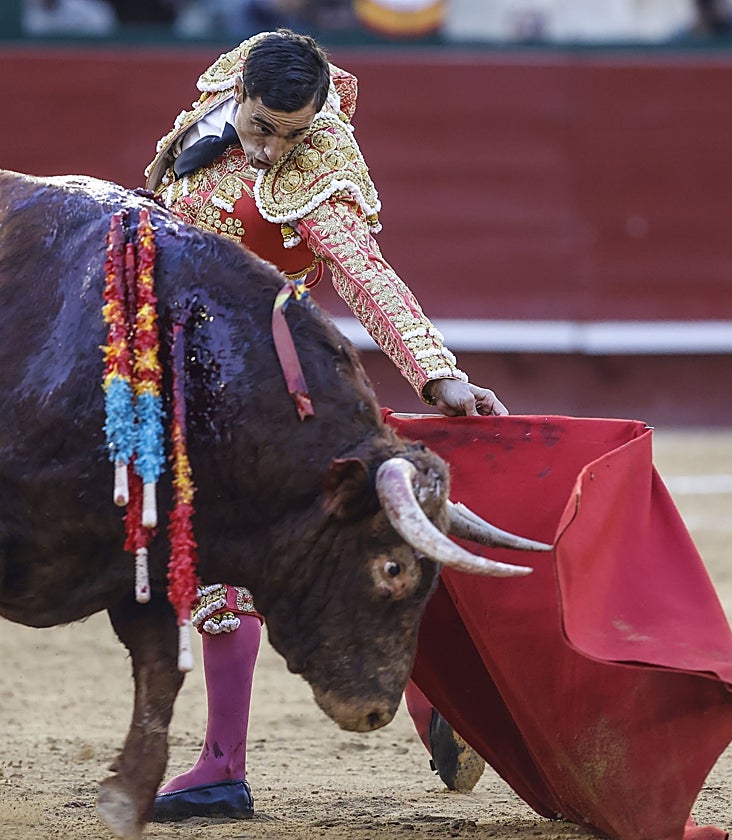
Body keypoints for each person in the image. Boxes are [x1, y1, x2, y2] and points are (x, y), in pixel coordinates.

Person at [142, 29, 501, 821]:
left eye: (295, 133)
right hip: (192, 377)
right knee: (248, 561)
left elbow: (367, 275)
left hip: (273, 394)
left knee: (236, 562)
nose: (274, 151)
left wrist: (438, 373)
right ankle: (423, 705)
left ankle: (229, 766)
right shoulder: (228, 89)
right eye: (264, 127)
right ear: (240, 92)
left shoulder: (320, 166)